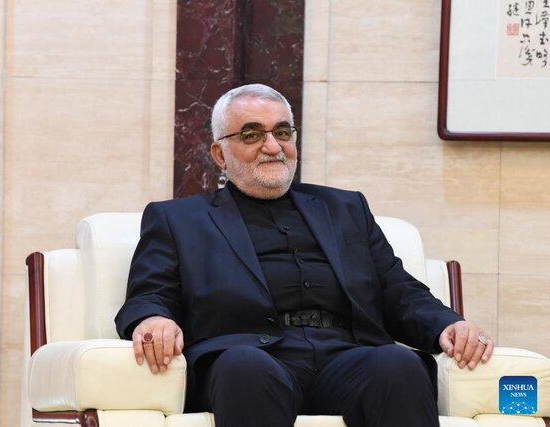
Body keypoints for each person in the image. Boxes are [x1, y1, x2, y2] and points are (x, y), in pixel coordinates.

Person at [115, 83, 494, 427]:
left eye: (283, 132)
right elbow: (151, 292)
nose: (273, 146)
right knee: (245, 367)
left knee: (398, 363)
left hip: (346, 356)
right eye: (252, 134)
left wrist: (447, 324)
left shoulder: (346, 208)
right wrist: (153, 319)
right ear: (219, 154)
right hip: (247, 357)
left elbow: (397, 289)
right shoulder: (179, 219)